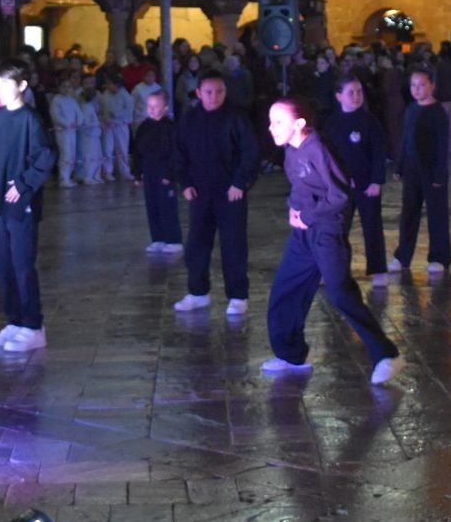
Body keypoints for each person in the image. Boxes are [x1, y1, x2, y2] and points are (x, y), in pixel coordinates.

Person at [261, 97, 402, 385]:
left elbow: (339, 196)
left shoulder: (318, 149)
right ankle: (292, 355)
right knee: (284, 291)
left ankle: (388, 355)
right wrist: (294, 206)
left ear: (299, 124)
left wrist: (309, 215)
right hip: (303, 233)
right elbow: (299, 186)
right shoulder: (290, 150)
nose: (270, 127)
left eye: (278, 122)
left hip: (326, 232)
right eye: (270, 121)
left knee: (339, 293)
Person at [0, 61, 56, 351]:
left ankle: (33, 325)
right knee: (2, 264)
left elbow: (45, 157)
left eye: (7, 84)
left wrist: (22, 185)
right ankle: (14, 320)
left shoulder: (30, 120)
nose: (1, 90)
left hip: (20, 205)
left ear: (22, 86)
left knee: (22, 265)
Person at [172, 72, 260, 316]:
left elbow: (250, 153)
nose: (214, 97)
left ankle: (238, 296)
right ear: (199, 93)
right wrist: (185, 183)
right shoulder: (189, 120)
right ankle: (198, 292)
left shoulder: (236, 117)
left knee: (233, 245)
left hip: (230, 193)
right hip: (200, 193)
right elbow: (180, 153)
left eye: (219, 91)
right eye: (209, 92)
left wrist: (240, 183)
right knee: (197, 244)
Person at [320, 74, 389, 287]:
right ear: (339, 96)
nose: (356, 96)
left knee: (372, 226)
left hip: (366, 185)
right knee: (338, 229)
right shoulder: (331, 124)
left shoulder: (370, 121)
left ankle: (378, 269)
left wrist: (376, 181)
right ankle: (335, 269)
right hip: (341, 187)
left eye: (359, 92)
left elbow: (378, 152)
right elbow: (326, 156)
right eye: (351, 92)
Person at [391, 69, 451, 278]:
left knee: (437, 214)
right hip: (411, 168)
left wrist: (439, 174)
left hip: (432, 169)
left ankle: (439, 256)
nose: (417, 89)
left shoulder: (438, 113)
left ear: (432, 85)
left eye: (422, 85)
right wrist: (399, 166)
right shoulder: (411, 109)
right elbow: (405, 139)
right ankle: (403, 255)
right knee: (409, 212)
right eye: (413, 85)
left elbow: (443, 145)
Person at [129, 89, 182, 253]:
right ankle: (157, 238)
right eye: (149, 105)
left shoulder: (171, 128)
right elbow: (137, 151)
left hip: (164, 173)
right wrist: (137, 173)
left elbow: (176, 153)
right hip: (149, 171)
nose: (151, 109)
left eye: (156, 105)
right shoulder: (144, 127)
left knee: (167, 206)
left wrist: (170, 174)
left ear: (165, 107)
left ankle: (173, 239)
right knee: (152, 205)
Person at [99, 73, 135, 182]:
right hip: (109, 125)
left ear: (117, 84)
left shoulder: (125, 96)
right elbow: (102, 109)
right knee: (107, 149)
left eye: (110, 84)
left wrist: (117, 114)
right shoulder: (106, 94)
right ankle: (107, 172)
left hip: (121, 125)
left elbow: (129, 111)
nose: (108, 86)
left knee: (122, 150)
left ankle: (125, 171)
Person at [49, 75, 82, 187]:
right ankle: (63, 178)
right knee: (66, 154)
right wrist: (67, 124)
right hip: (62, 131)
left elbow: (79, 113)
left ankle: (68, 176)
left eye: (69, 86)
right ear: (59, 87)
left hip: (72, 131)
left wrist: (78, 122)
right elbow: (56, 115)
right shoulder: (56, 100)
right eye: (64, 86)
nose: (67, 89)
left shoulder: (72, 100)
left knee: (72, 154)